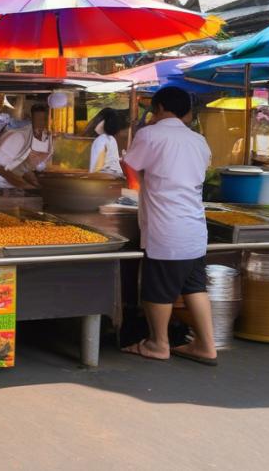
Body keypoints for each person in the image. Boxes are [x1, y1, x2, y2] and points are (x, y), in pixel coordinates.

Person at [122, 87, 217, 365]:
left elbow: (129, 166)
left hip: (166, 227)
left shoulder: (151, 134)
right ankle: (206, 345)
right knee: (195, 287)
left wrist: (138, 184)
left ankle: (158, 344)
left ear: (160, 107)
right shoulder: (199, 141)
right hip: (194, 227)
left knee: (157, 289)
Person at [0, 103, 53, 189]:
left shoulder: (46, 138)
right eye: (39, 120)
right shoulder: (19, 138)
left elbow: (20, 168)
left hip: (14, 184)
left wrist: (33, 182)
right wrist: (24, 185)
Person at [88, 108, 124, 178]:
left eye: (98, 119)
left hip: (103, 180)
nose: (95, 122)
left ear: (104, 122)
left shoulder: (101, 140)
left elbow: (96, 168)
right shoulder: (111, 139)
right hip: (115, 178)